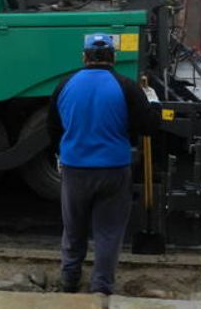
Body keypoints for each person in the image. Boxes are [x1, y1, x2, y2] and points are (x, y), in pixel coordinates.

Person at [47, 33, 161, 294]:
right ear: (114, 57)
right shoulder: (126, 86)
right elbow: (149, 127)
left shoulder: (64, 85)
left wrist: (61, 155)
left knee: (73, 228)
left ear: (84, 57)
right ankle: (101, 288)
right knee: (108, 233)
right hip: (114, 170)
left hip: (75, 170)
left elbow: (52, 128)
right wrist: (152, 100)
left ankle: (69, 280)